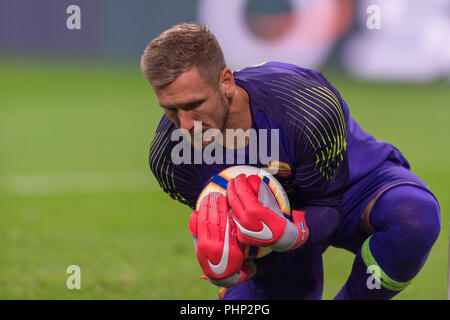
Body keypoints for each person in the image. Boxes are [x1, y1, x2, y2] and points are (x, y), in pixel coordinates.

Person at [140, 23, 441, 299]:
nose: (186, 124)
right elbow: (237, 238)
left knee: (414, 217)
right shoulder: (169, 159)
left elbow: (327, 206)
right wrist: (235, 266)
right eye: (171, 109)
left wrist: (291, 232)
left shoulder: (306, 106)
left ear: (226, 82)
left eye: (194, 104)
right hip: (270, 226)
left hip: (347, 184)